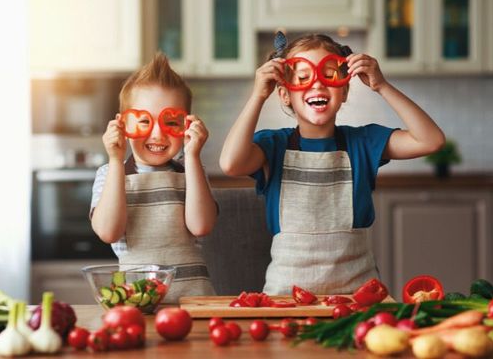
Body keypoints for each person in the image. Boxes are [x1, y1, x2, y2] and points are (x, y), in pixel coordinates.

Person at [220, 33, 445, 295]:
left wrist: (381, 85)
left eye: (328, 75)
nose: (316, 85)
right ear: (284, 94)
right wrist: (257, 96)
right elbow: (230, 164)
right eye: (303, 78)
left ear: (345, 90)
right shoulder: (273, 146)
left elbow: (430, 140)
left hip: (359, 301)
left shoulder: (363, 142)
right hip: (285, 302)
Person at [90, 53, 217, 302]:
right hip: (137, 301)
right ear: (123, 125)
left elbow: (201, 226)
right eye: (144, 121)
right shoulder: (110, 174)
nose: (157, 134)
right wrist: (116, 160)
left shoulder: (192, 172)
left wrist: (192, 157)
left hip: (194, 302)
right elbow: (108, 232)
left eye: (171, 122)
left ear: (187, 125)